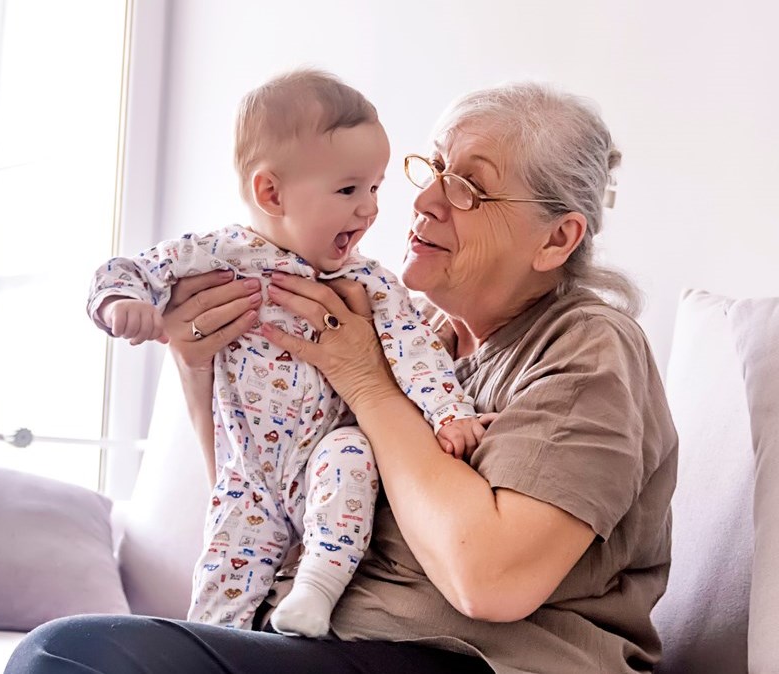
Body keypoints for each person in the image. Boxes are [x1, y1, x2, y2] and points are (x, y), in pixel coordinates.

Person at [9, 81, 678, 674]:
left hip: (476, 660)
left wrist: (366, 383)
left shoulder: (589, 347)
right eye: (434, 167)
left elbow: (491, 581)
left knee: (71, 656)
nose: (425, 199)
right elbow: (269, 498)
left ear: (556, 240)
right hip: (325, 639)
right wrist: (195, 364)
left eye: (469, 186)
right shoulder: (410, 331)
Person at [84, 69, 484, 637]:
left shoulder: (367, 280)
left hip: (324, 457)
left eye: (374, 189)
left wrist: (450, 412)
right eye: (349, 190)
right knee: (220, 586)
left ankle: (315, 590)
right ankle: (212, 644)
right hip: (248, 475)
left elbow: (416, 349)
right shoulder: (218, 255)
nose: (369, 210)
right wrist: (120, 302)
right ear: (271, 192)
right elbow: (126, 269)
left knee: (352, 453)